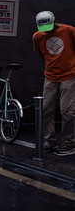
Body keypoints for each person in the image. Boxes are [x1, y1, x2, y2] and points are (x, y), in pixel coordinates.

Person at [33, 11, 75, 155]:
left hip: (69, 75)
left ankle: (69, 143)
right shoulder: (38, 36)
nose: (47, 31)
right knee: (46, 109)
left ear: (54, 21)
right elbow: (41, 54)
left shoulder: (68, 30)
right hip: (50, 76)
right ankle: (48, 140)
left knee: (67, 110)